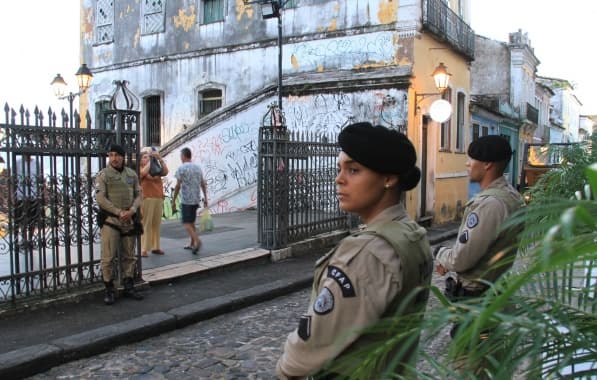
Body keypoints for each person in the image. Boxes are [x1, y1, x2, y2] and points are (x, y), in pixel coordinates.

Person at [276, 122, 433, 379]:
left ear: (389, 179)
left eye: (354, 170)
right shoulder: (410, 233)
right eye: (340, 169)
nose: (339, 179)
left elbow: (309, 346)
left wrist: (285, 369)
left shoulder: (368, 252)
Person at [435, 135, 525, 303]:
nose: (467, 163)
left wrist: (440, 252)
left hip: (478, 296)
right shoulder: (511, 196)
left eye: (472, 158)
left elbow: (461, 259)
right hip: (494, 289)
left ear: (487, 164)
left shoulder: (490, 204)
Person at [95, 144, 144, 305]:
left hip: (129, 220)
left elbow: (139, 194)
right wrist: (118, 212)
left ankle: (128, 285)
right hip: (111, 221)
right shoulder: (103, 175)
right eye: (111, 155)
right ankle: (109, 289)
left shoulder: (131, 174)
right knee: (108, 257)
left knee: (129, 255)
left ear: (123, 157)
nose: (114, 158)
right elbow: (101, 198)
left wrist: (132, 209)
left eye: (117, 155)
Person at [171, 147, 208, 254]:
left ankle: (197, 241)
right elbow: (203, 184)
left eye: (180, 156)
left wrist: (173, 200)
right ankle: (192, 243)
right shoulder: (198, 168)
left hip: (186, 199)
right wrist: (205, 198)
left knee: (186, 223)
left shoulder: (182, 168)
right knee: (191, 222)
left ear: (183, 156)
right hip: (196, 199)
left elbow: (178, 185)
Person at [139, 147, 169, 257]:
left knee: (156, 224)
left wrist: (159, 158)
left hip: (158, 197)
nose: (147, 158)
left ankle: (156, 247)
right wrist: (151, 161)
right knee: (146, 223)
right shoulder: (140, 168)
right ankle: (143, 248)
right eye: (145, 157)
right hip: (146, 197)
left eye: (148, 157)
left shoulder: (156, 168)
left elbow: (165, 171)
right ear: (140, 160)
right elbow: (143, 173)